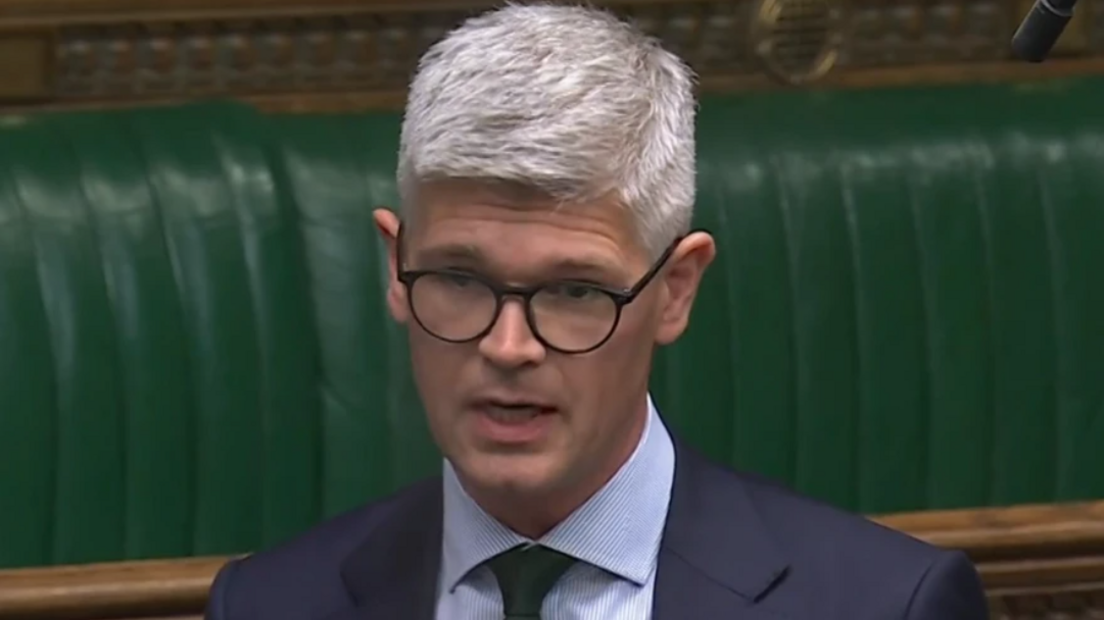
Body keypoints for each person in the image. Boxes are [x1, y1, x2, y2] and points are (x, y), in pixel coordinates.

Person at [204, 4, 989, 619]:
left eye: (575, 292)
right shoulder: (271, 606)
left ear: (676, 289)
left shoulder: (881, 607)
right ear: (397, 271)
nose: (508, 347)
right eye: (461, 280)